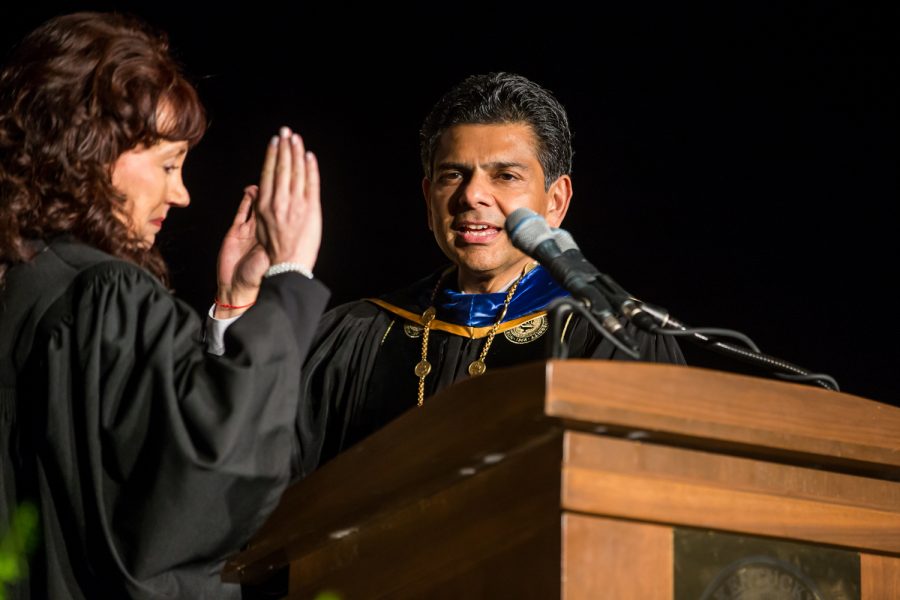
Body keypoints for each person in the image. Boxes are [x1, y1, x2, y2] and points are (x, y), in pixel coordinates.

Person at [0, 12, 328, 599]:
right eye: (169, 164)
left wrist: (236, 301)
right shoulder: (102, 293)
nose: (181, 193)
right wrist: (291, 281)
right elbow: (206, 474)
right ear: (91, 150)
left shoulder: (26, 281)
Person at [287, 72, 683, 477]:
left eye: (505, 176)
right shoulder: (357, 335)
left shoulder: (619, 336)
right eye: (453, 175)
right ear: (429, 200)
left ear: (555, 202)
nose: (471, 195)